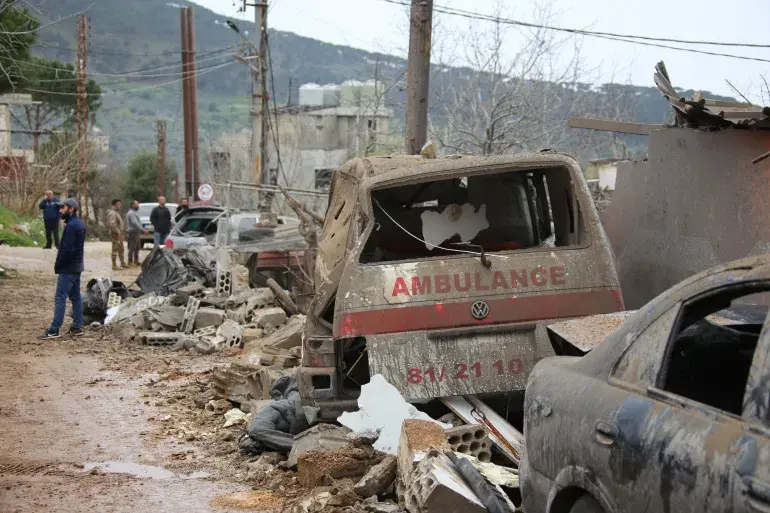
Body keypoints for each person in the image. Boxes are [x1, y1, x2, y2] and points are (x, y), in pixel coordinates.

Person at [40, 198, 86, 339]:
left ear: (71, 209)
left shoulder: (71, 226)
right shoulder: (78, 223)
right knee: (76, 297)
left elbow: (67, 250)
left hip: (68, 268)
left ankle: (54, 329)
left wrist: (59, 265)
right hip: (76, 267)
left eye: (63, 208)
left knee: (60, 298)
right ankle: (77, 327)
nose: (60, 211)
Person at [107, 199, 126, 270]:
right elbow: (112, 224)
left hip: (119, 234)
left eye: (120, 204)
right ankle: (114, 265)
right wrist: (117, 232)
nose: (120, 205)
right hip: (115, 234)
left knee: (121, 249)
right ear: (114, 205)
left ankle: (122, 263)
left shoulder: (116, 213)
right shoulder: (112, 213)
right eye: (118, 204)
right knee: (115, 249)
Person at [125, 200, 144, 267]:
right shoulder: (131, 213)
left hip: (136, 232)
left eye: (138, 204)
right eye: (137, 204)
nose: (138, 206)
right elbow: (135, 223)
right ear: (132, 205)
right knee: (132, 247)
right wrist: (142, 229)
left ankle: (136, 261)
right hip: (133, 232)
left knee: (137, 247)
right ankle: (130, 261)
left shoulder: (134, 212)